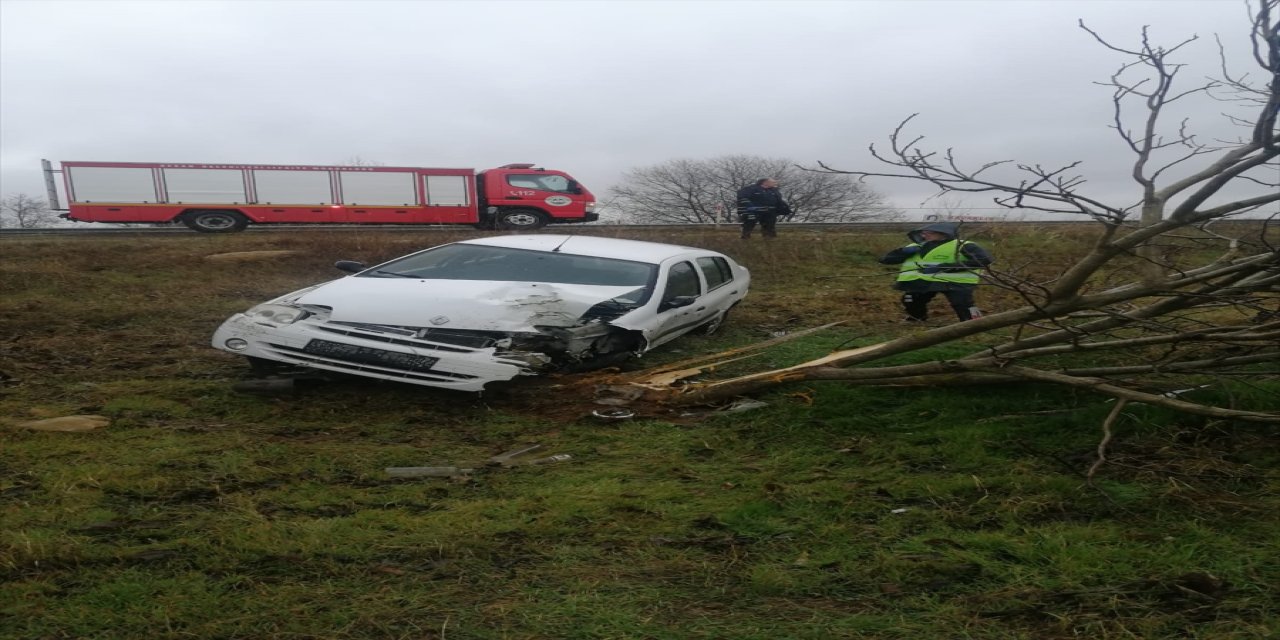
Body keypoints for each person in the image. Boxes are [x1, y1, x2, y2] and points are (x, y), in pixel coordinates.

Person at [878, 221, 994, 322]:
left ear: (943, 233)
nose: (924, 235)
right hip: (922, 280)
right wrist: (902, 252)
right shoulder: (915, 246)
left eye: (929, 233)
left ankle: (976, 322)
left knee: (963, 304)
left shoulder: (964, 245)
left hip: (956, 282)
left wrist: (943, 267)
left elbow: (984, 260)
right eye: (923, 233)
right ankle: (917, 318)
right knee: (910, 300)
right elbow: (885, 260)